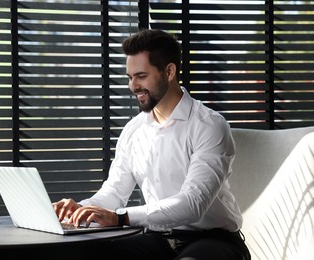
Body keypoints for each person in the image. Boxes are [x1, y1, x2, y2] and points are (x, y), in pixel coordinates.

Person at [53, 29, 251, 260]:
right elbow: (114, 194)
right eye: (129, 77)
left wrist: (120, 217)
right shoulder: (133, 130)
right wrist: (80, 209)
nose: (133, 86)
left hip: (212, 240)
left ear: (169, 71)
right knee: (88, 254)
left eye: (141, 76)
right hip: (158, 239)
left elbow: (192, 203)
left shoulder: (209, 125)